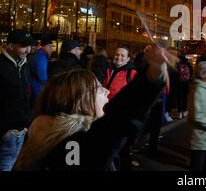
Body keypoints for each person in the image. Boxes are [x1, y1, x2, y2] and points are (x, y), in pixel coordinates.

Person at [14, 44, 168, 170]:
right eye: (98, 89)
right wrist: (151, 78)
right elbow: (119, 120)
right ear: (80, 101)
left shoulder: (48, 134)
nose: (106, 91)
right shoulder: (74, 144)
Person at [0, 30, 35, 170]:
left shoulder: (24, 65)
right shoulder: (2, 66)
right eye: (23, 46)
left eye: (30, 46)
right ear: (10, 46)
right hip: (7, 132)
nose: (27, 50)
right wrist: (3, 129)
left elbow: (26, 96)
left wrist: (27, 124)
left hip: (21, 129)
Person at [28, 36, 54, 105]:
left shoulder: (38, 54)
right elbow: (42, 77)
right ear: (45, 46)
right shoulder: (41, 56)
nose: (52, 49)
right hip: (37, 90)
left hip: (33, 88)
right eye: (50, 46)